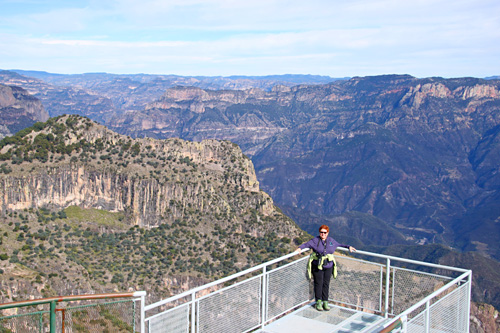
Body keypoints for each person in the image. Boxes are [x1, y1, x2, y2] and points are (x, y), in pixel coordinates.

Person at [295, 225, 356, 311]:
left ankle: (325, 301)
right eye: (321, 232)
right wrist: (299, 249)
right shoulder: (315, 241)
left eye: (325, 232)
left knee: (326, 284)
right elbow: (306, 244)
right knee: (318, 283)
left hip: (328, 266)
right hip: (317, 266)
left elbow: (339, 245)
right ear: (319, 232)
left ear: (327, 233)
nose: (323, 234)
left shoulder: (331, 241)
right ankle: (318, 302)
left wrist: (348, 247)